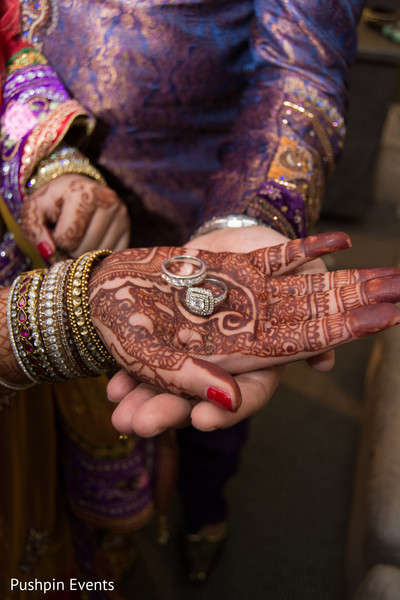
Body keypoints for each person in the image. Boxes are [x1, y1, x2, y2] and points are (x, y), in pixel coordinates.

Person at [0, 0, 378, 591]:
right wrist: (49, 157)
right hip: (48, 207)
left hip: (197, 210)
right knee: (73, 431)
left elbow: (300, 67)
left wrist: (246, 217)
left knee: (219, 373)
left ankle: (203, 509)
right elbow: (15, 35)